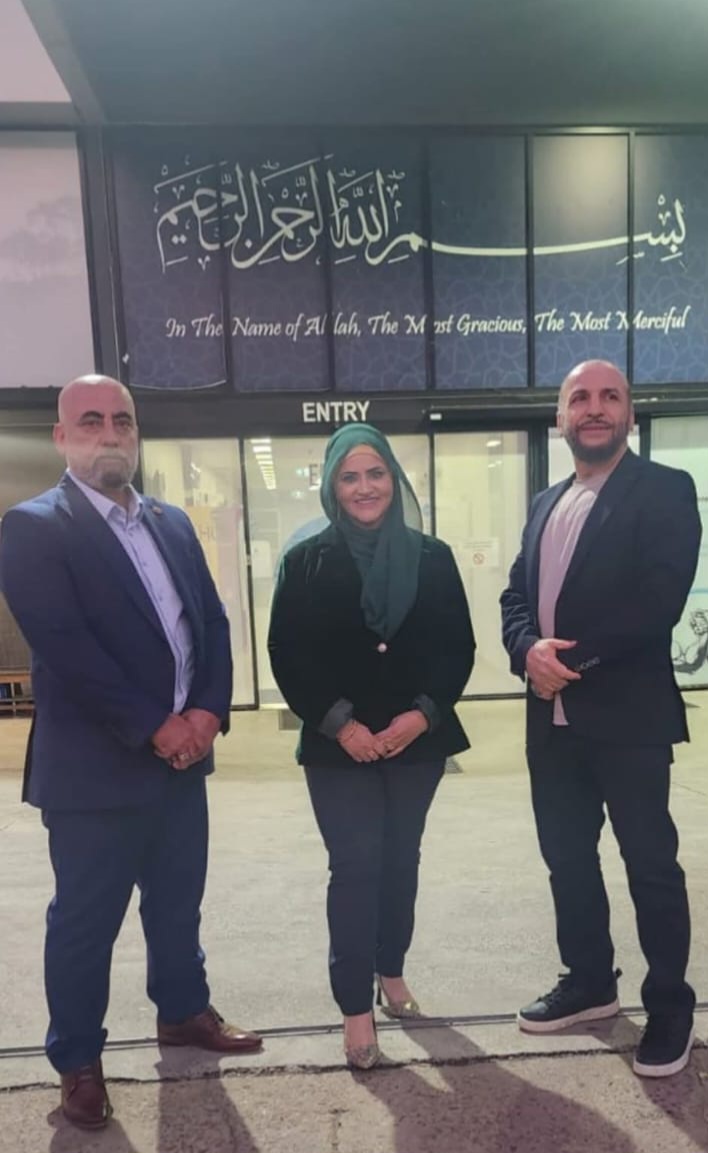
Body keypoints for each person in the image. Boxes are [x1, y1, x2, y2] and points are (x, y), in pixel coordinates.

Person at [0, 375, 261, 1131]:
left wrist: (207, 711)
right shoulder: (32, 527)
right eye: (91, 421)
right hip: (94, 773)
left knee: (177, 903)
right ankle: (78, 1060)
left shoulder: (170, 522)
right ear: (61, 437)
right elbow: (67, 647)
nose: (110, 433)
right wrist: (157, 725)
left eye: (123, 420)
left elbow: (211, 622)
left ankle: (182, 1012)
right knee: (85, 923)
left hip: (182, 764)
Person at [500, 359, 701, 1079]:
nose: (594, 408)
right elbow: (514, 596)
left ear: (629, 416)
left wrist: (568, 663)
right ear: (560, 418)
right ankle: (589, 981)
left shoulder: (666, 490)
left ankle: (670, 1005)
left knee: (650, 865)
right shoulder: (545, 502)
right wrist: (526, 650)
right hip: (550, 723)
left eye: (609, 396)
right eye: (579, 398)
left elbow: (657, 602)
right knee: (568, 859)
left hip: (629, 718)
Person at [268, 424, 475, 1069]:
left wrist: (422, 715)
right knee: (356, 866)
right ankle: (355, 1006)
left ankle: (392, 970)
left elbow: (458, 647)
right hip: (340, 749)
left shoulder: (433, 557)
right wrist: (341, 725)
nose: (365, 488)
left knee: (401, 860)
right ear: (334, 487)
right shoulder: (305, 562)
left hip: (415, 744)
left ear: (394, 479)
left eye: (376, 473)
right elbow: (286, 653)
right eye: (350, 477)